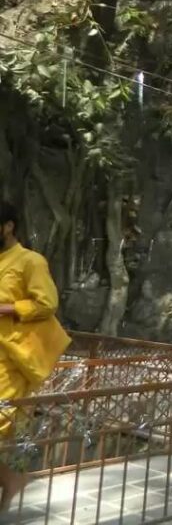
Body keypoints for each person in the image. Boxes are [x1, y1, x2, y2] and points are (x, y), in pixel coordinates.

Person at [0, 202, 71, 509]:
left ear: (8, 226)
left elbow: (47, 303)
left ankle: (12, 480)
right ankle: (12, 480)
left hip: (12, 359)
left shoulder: (30, 261)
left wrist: (6, 308)